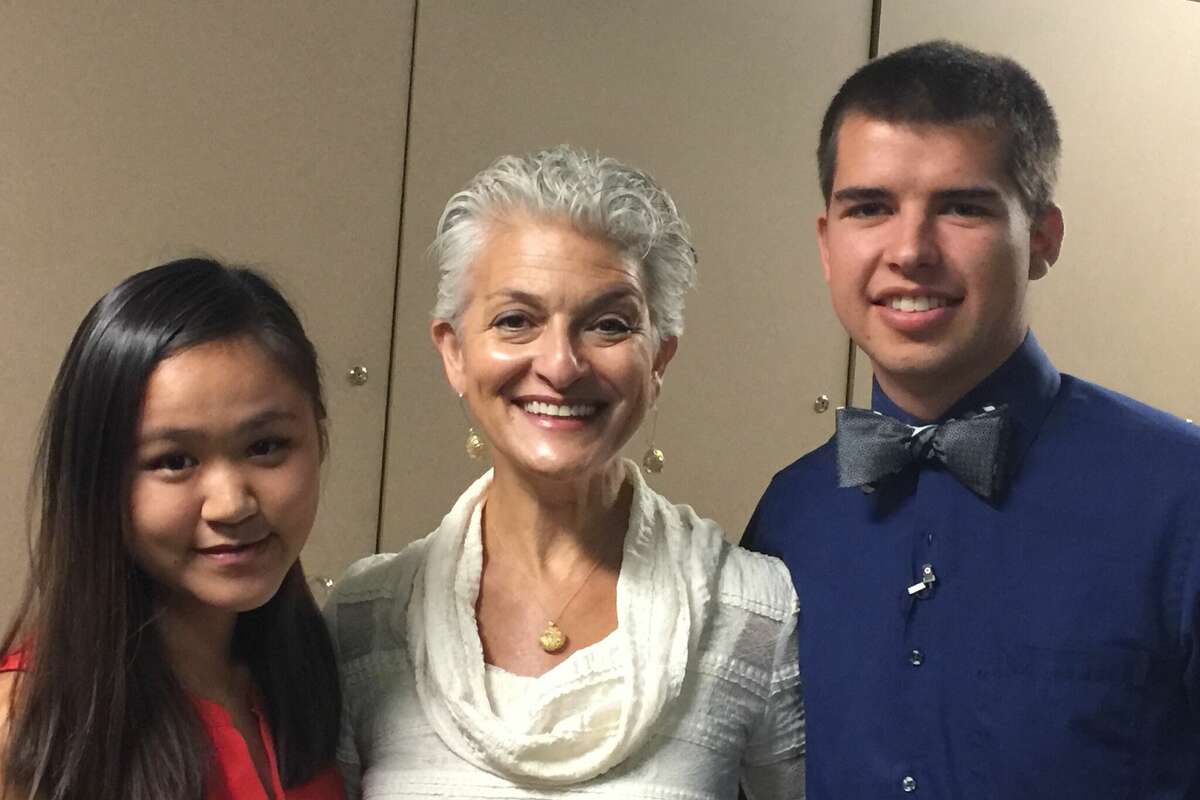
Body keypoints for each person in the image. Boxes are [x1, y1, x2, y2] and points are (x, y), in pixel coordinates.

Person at [742, 39, 1200, 798]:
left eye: (961, 207)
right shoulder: (787, 519)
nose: (910, 250)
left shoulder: (1183, 499)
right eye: (870, 208)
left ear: (1042, 240)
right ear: (827, 245)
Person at [325, 145, 804, 798]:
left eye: (608, 325)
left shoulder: (754, 613)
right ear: (454, 353)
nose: (560, 364)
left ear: (658, 360)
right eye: (516, 321)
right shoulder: (367, 621)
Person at [0, 259, 344, 800]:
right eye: (174, 460)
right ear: (97, 479)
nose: (230, 504)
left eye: (266, 446)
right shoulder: (30, 728)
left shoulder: (322, 676)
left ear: (317, 438)